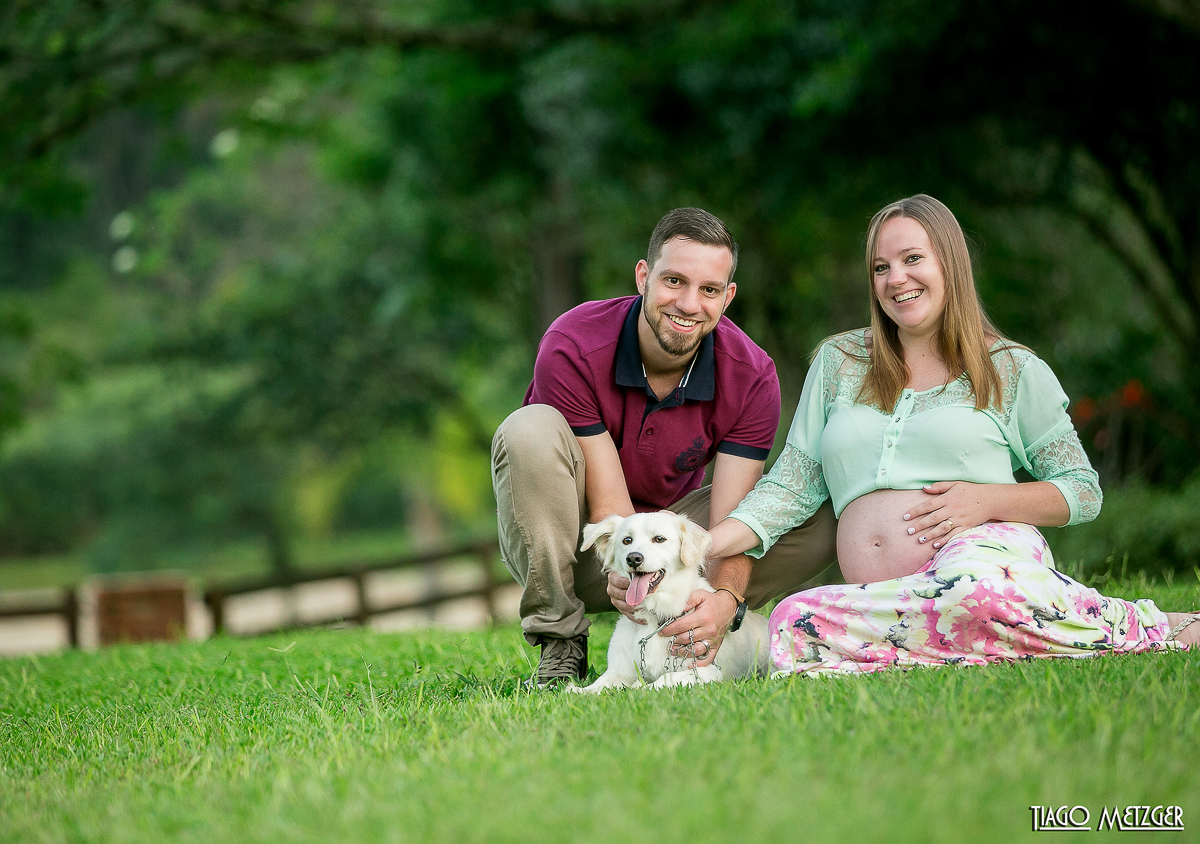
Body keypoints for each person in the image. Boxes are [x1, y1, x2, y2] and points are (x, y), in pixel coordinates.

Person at [683, 193, 1200, 676]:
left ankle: (1141, 625)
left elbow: (1082, 491)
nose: (896, 278)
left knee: (973, 591)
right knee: (794, 620)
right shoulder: (838, 361)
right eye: (881, 267)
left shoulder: (1010, 368)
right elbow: (791, 486)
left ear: (950, 264)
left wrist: (985, 500)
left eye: (912, 259)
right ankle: (967, 643)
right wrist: (701, 543)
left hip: (983, 559)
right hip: (889, 596)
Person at [491, 207, 837, 686]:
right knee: (528, 428)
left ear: (728, 297)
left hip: (676, 555)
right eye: (674, 281)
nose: (690, 304)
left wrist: (725, 598)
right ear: (643, 276)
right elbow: (611, 511)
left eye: (709, 290)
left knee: (820, 508)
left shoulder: (752, 375)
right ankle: (561, 639)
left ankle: (702, 623)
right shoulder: (573, 342)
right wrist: (624, 566)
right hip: (583, 546)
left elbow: (738, 521)